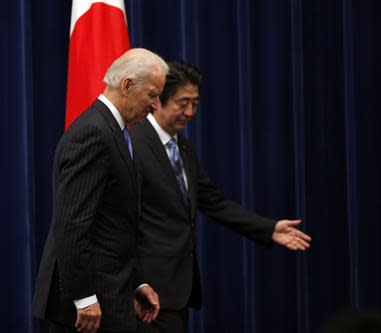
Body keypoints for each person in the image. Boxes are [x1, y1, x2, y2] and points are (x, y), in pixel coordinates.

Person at [130, 61, 312, 333]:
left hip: (178, 290)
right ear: (158, 102)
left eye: (195, 103)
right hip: (145, 293)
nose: (190, 112)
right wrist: (135, 283)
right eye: (183, 103)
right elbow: (120, 222)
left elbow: (213, 201)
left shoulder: (184, 148)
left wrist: (269, 228)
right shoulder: (133, 144)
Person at [32, 48, 168, 333]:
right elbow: (72, 223)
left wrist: (137, 282)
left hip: (114, 292)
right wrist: (83, 298)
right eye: (153, 95)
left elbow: (114, 224)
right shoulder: (93, 133)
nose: (157, 105)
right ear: (127, 85)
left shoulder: (116, 131)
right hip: (91, 306)